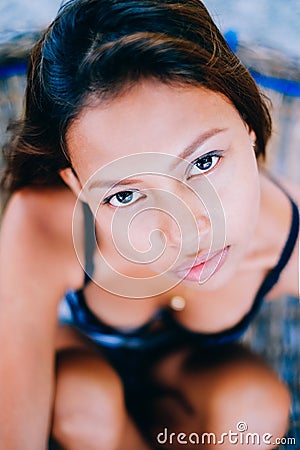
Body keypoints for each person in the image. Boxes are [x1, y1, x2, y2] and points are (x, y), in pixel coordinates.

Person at [0, 0, 298, 449]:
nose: (185, 229)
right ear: (78, 185)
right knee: (85, 399)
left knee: (253, 411)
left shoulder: (287, 237)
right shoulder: (46, 226)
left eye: (204, 161)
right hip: (79, 388)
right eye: (124, 194)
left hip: (192, 390)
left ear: (248, 123)